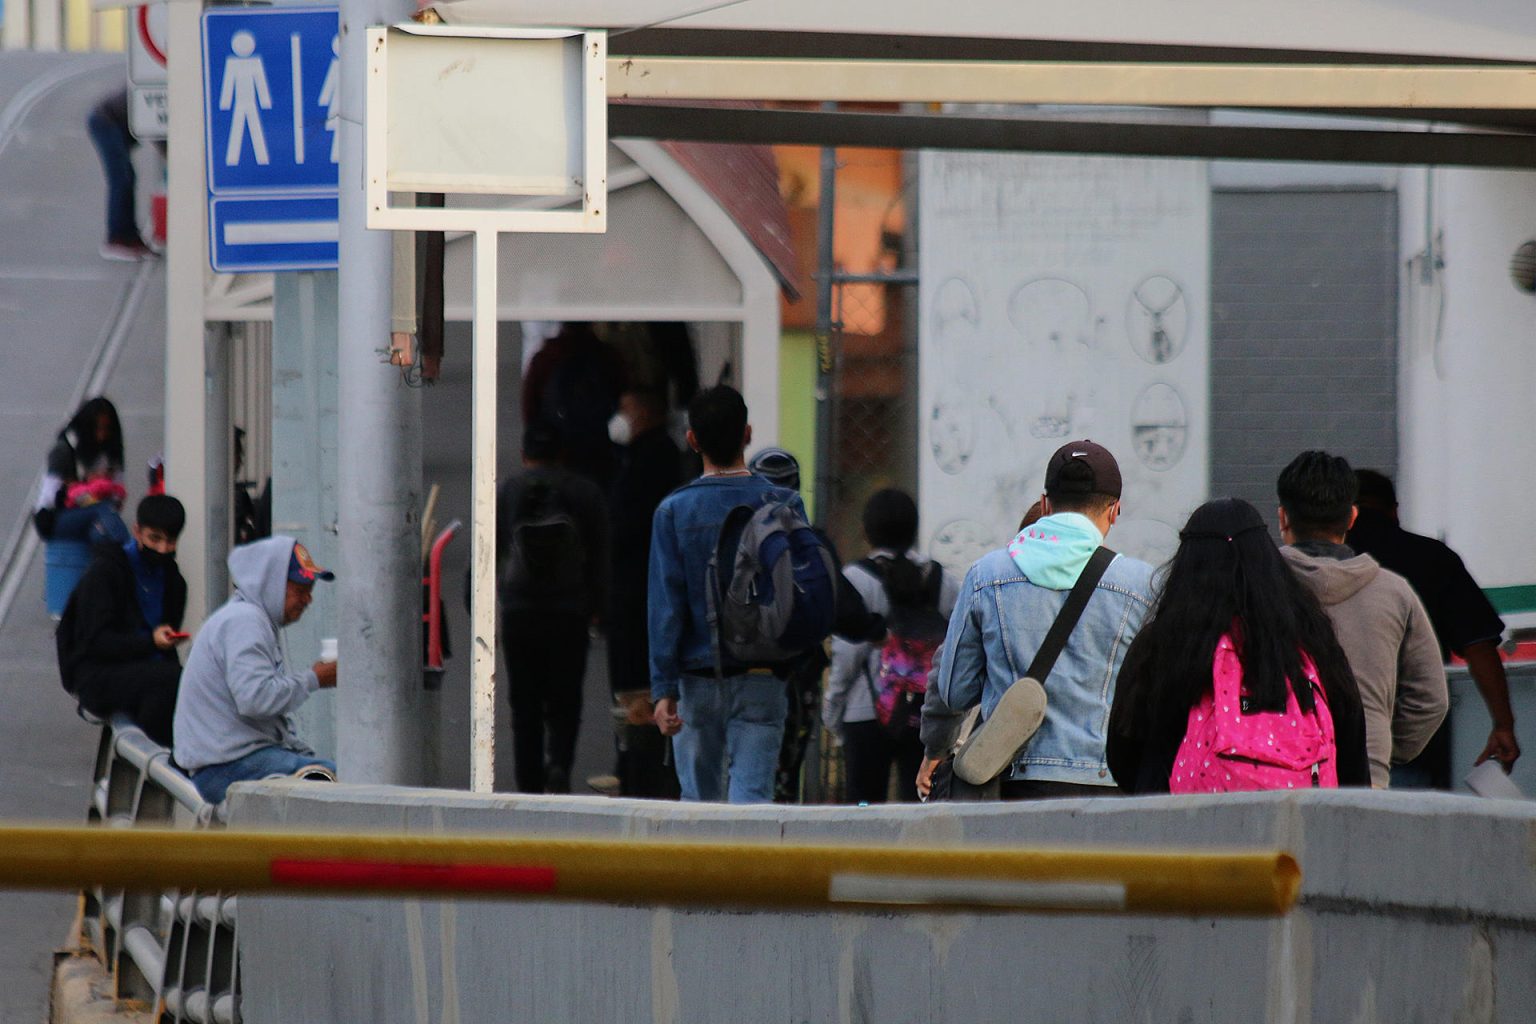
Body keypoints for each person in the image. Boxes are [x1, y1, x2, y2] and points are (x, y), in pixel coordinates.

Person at [918, 440, 1155, 800]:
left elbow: (954, 692)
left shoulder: (986, 576)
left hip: (1014, 786)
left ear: (1045, 505)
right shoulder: (1142, 586)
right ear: (1113, 511)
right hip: (1109, 783)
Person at [1108, 498, 1371, 792]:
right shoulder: (1311, 641)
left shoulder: (1162, 644)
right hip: (1296, 825)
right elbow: (1351, 743)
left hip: (1179, 826)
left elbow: (1123, 751)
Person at [649, 386, 805, 803]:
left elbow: (667, 607)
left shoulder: (673, 512)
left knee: (699, 808)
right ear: (748, 434)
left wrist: (663, 688)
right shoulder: (785, 503)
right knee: (752, 801)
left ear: (692, 440)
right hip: (764, 675)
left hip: (695, 679)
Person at [1276, 451, 1447, 788]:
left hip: (1276, 773)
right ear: (1352, 517)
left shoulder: (1256, 588)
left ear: (1283, 518)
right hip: (1368, 778)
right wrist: (1380, 744)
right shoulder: (1395, 593)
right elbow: (1431, 698)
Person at [1349, 469, 1520, 783]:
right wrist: (1503, 725)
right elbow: (1479, 645)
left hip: (1335, 738)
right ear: (1394, 509)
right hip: (1414, 735)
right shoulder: (1433, 558)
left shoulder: (1324, 565)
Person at [745, 447, 882, 802]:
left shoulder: (734, 533)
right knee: (784, 774)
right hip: (796, 674)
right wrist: (874, 628)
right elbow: (843, 607)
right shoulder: (809, 541)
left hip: (734, 671)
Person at [173, 537, 339, 804]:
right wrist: (314, 678)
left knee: (327, 774)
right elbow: (255, 699)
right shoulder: (245, 621)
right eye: (300, 590)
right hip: (226, 767)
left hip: (230, 761)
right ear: (272, 584)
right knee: (338, 784)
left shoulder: (248, 618)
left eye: (311, 590)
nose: (308, 599)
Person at [825, 488, 959, 803]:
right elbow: (957, 644)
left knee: (862, 809)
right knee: (920, 808)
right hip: (925, 712)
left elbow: (847, 655)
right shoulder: (942, 579)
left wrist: (833, 712)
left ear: (867, 531)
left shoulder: (855, 578)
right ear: (913, 529)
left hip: (865, 713)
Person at [498, 422, 608, 794]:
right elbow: (601, 556)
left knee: (524, 703)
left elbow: (490, 548)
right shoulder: (585, 492)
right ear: (563, 454)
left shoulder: (509, 491)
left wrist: (479, 598)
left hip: (519, 613)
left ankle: (527, 783)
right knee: (565, 700)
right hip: (569, 613)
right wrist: (597, 606)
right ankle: (559, 764)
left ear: (524, 455)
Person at [55, 495, 188, 745]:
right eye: (154, 538)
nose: (162, 549)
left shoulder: (173, 582)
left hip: (145, 670)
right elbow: (96, 642)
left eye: (169, 541)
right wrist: (151, 642)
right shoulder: (107, 572)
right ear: (137, 532)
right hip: (98, 672)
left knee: (182, 682)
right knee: (168, 680)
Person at [605, 389, 684, 798]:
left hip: (637, 598)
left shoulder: (649, 460)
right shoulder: (648, 456)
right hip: (637, 596)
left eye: (627, 405)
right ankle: (636, 768)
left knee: (637, 691)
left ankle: (639, 773)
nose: (620, 414)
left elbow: (625, 529)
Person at [520, 322, 626, 488]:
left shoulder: (546, 357)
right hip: (599, 451)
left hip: (555, 450)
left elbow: (530, 409)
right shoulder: (607, 356)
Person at [34, 396, 130, 546]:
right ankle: (130, 552)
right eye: (97, 429)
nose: (102, 435)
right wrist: (86, 485)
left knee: (101, 535)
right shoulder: (65, 450)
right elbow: (49, 499)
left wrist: (105, 488)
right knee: (102, 509)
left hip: (95, 514)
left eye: (107, 429)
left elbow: (118, 496)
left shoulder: (110, 453)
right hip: (56, 517)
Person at [86, 89, 154, 261]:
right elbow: (157, 128)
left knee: (127, 177)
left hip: (113, 121)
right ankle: (116, 239)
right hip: (106, 121)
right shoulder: (150, 90)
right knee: (121, 179)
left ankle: (130, 237)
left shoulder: (150, 84)